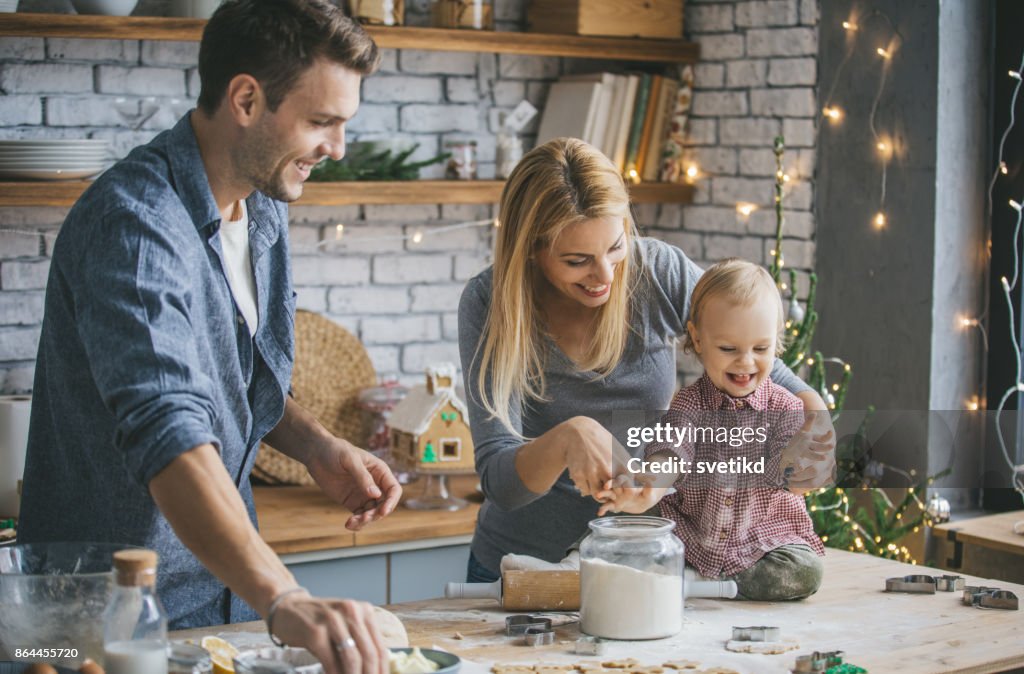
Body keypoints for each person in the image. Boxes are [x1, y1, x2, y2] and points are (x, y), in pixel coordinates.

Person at [18, 2, 400, 672]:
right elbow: (168, 431)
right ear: (246, 98)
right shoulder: (134, 228)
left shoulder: (261, 204)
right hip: (104, 624)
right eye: (321, 122)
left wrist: (314, 444)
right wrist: (283, 596)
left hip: (221, 604)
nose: (336, 149)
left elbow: (234, 375)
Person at [457, 137, 836, 583]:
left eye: (615, 247)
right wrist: (568, 437)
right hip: (521, 566)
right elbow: (500, 484)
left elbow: (749, 346)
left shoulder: (658, 271)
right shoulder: (489, 303)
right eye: (578, 260)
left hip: (643, 563)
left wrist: (814, 413)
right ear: (532, 251)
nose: (605, 276)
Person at [595, 258, 825, 601]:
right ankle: (578, 564)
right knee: (623, 521)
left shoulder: (786, 408)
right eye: (728, 349)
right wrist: (649, 486)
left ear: (776, 344)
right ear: (698, 339)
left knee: (805, 571)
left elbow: (790, 469)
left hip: (758, 540)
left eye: (761, 349)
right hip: (693, 529)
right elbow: (670, 453)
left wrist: (801, 472)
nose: (746, 362)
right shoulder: (689, 405)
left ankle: (696, 582)